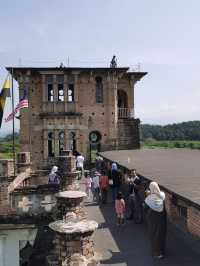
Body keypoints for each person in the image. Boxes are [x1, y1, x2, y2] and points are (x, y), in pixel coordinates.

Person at [145, 181, 167, 259]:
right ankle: (161, 251)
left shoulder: (149, 198)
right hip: (161, 219)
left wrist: (148, 194)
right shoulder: (162, 195)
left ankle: (156, 252)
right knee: (160, 235)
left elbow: (145, 207)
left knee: (153, 235)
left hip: (152, 219)